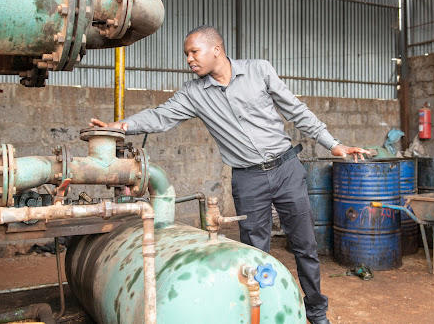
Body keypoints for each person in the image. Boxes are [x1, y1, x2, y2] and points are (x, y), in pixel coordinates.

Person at [90, 25, 369, 324]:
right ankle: (257, 314)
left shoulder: (259, 71)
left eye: (194, 52)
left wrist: (334, 144)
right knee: (252, 253)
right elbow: (160, 115)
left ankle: (316, 312)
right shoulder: (194, 94)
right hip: (249, 180)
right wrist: (122, 126)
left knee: (305, 247)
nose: (189, 60)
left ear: (216, 50)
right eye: (186, 54)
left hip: (287, 169)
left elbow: (296, 110)